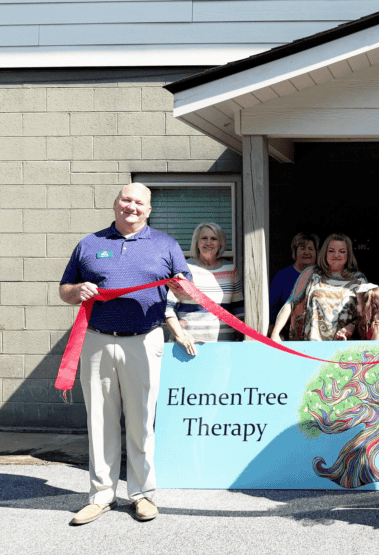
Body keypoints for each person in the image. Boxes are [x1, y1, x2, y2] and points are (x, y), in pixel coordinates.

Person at [59, 183, 190, 526]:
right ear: (115, 204)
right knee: (99, 420)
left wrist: (180, 288)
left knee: (141, 419)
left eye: (139, 203)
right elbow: (65, 290)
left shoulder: (166, 244)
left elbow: (186, 289)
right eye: (125, 200)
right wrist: (77, 290)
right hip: (97, 340)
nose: (131, 206)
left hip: (144, 340)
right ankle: (101, 495)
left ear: (148, 210)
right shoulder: (89, 244)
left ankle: (141, 494)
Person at [164, 222, 244, 354]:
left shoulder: (230, 269)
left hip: (223, 346)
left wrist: (241, 340)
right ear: (196, 242)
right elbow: (168, 308)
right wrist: (181, 337)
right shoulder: (184, 269)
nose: (208, 243)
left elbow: (239, 309)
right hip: (188, 346)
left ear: (220, 243)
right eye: (204, 238)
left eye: (214, 239)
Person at [269, 233, 366, 341]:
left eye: (342, 251)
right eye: (331, 251)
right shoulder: (312, 273)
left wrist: (352, 326)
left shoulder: (359, 280)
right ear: (324, 253)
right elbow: (291, 303)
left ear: (348, 254)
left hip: (345, 348)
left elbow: (367, 313)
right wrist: (275, 333)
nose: (336, 255)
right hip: (312, 345)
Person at [268, 233, 318, 335]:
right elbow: (273, 305)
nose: (307, 252)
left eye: (311, 249)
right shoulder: (282, 276)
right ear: (295, 251)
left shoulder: (322, 275)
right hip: (288, 332)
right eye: (302, 248)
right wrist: (273, 329)